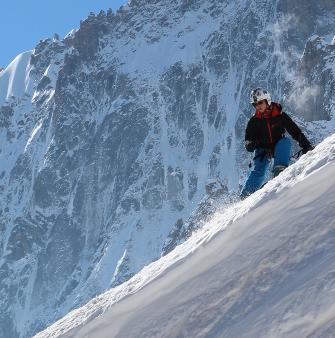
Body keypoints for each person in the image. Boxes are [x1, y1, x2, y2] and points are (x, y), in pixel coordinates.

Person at [240, 88, 313, 199]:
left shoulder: (280, 116)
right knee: (258, 171)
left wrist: (306, 145)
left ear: (267, 100)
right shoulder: (254, 122)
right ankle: (246, 197)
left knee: (285, 142)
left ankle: (280, 171)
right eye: (255, 104)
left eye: (260, 102)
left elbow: (294, 131)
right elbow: (248, 139)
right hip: (262, 149)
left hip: (278, 145)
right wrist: (249, 144)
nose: (258, 106)